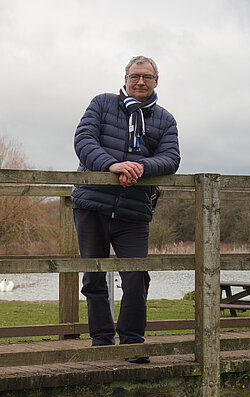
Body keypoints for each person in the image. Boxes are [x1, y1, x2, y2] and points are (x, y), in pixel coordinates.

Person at [71, 56, 180, 363]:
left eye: (147, 77)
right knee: (93, 276)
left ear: (156, 81)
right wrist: (113, 165)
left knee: (136, 276)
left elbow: (171, 158)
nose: (140, 82)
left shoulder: (165, 120)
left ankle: (132, 341)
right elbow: (84, 141)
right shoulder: (102, 104)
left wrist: (138, 167)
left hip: (134, 210)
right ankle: (102, 341)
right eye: (135, 76)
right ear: (126, 78)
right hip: (91, 203)